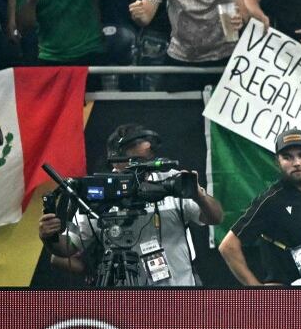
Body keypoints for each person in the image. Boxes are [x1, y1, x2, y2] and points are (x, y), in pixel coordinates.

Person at [37, 123, 223, 287]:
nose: (145, 167)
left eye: (148, 159)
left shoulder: (171, 181)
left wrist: (200, 196)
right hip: (130, 302)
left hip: (181, 293)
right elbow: (67, 248)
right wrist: (49, 237)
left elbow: (216, 217)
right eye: (138, 162)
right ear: (115, 161)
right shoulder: (100, 194)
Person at [219, 128, 301, 286]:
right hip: (283, 293)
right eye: (287, 157)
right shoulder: (271, 200)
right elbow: (228, 246)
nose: (297, 163)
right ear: (277, 162)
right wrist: (257, 289)